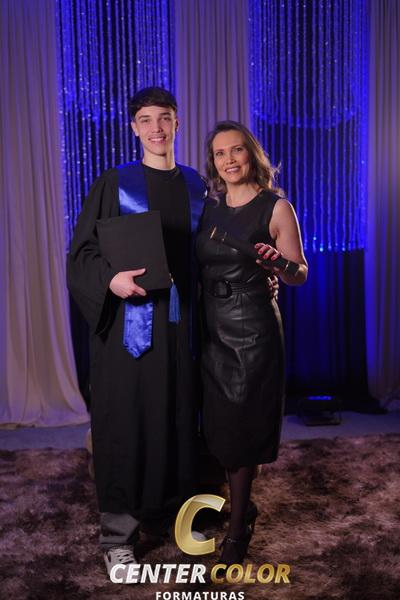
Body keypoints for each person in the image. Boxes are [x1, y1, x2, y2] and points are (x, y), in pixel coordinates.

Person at [67, 87, 207, 579]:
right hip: (130, 327)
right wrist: (111, 281)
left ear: (177, 123)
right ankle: (118, 537)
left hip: (182, 329)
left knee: (179, 422)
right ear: (133, 128)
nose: (156, 128)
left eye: (164, 118)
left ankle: (178, 519)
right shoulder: (116, 182)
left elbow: (210, 254)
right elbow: (82, 253)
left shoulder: (196, 186)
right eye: (145, 120)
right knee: (125, 424)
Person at [196, 120, 308, 565]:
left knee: (241, 427)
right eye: (220, 153)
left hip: (252, 329)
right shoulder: (207, 209)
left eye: (237, 150)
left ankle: (238, 528)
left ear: (252, 155)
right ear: (213, 162)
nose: (229, 160)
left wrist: (279, 264)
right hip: (210, 327)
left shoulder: (276, 207)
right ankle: (241, 507)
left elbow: (300, 274)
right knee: (221, 427)